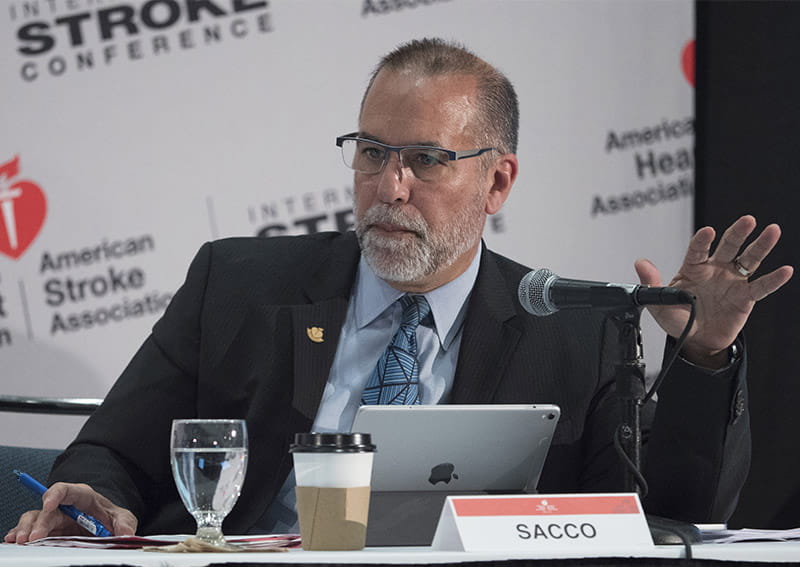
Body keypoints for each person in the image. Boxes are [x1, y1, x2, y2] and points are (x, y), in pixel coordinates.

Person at [6, 38, 793, 543]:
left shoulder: (571, 330)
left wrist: (706, 353)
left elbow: (676, 514)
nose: (391, 185)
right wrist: (94, 497)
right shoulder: (238, 286)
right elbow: (110, 449)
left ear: (498, 181)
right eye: (373, 151)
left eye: (426, 158)